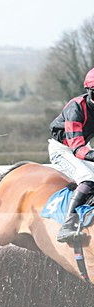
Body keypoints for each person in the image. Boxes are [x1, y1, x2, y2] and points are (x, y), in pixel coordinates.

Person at [48, 67, 94, 242]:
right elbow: (78, 149)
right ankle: (67, 226)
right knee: (88, 177)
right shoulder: (75, 108)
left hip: (84, 147)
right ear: (89, 92)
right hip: (63, 149)